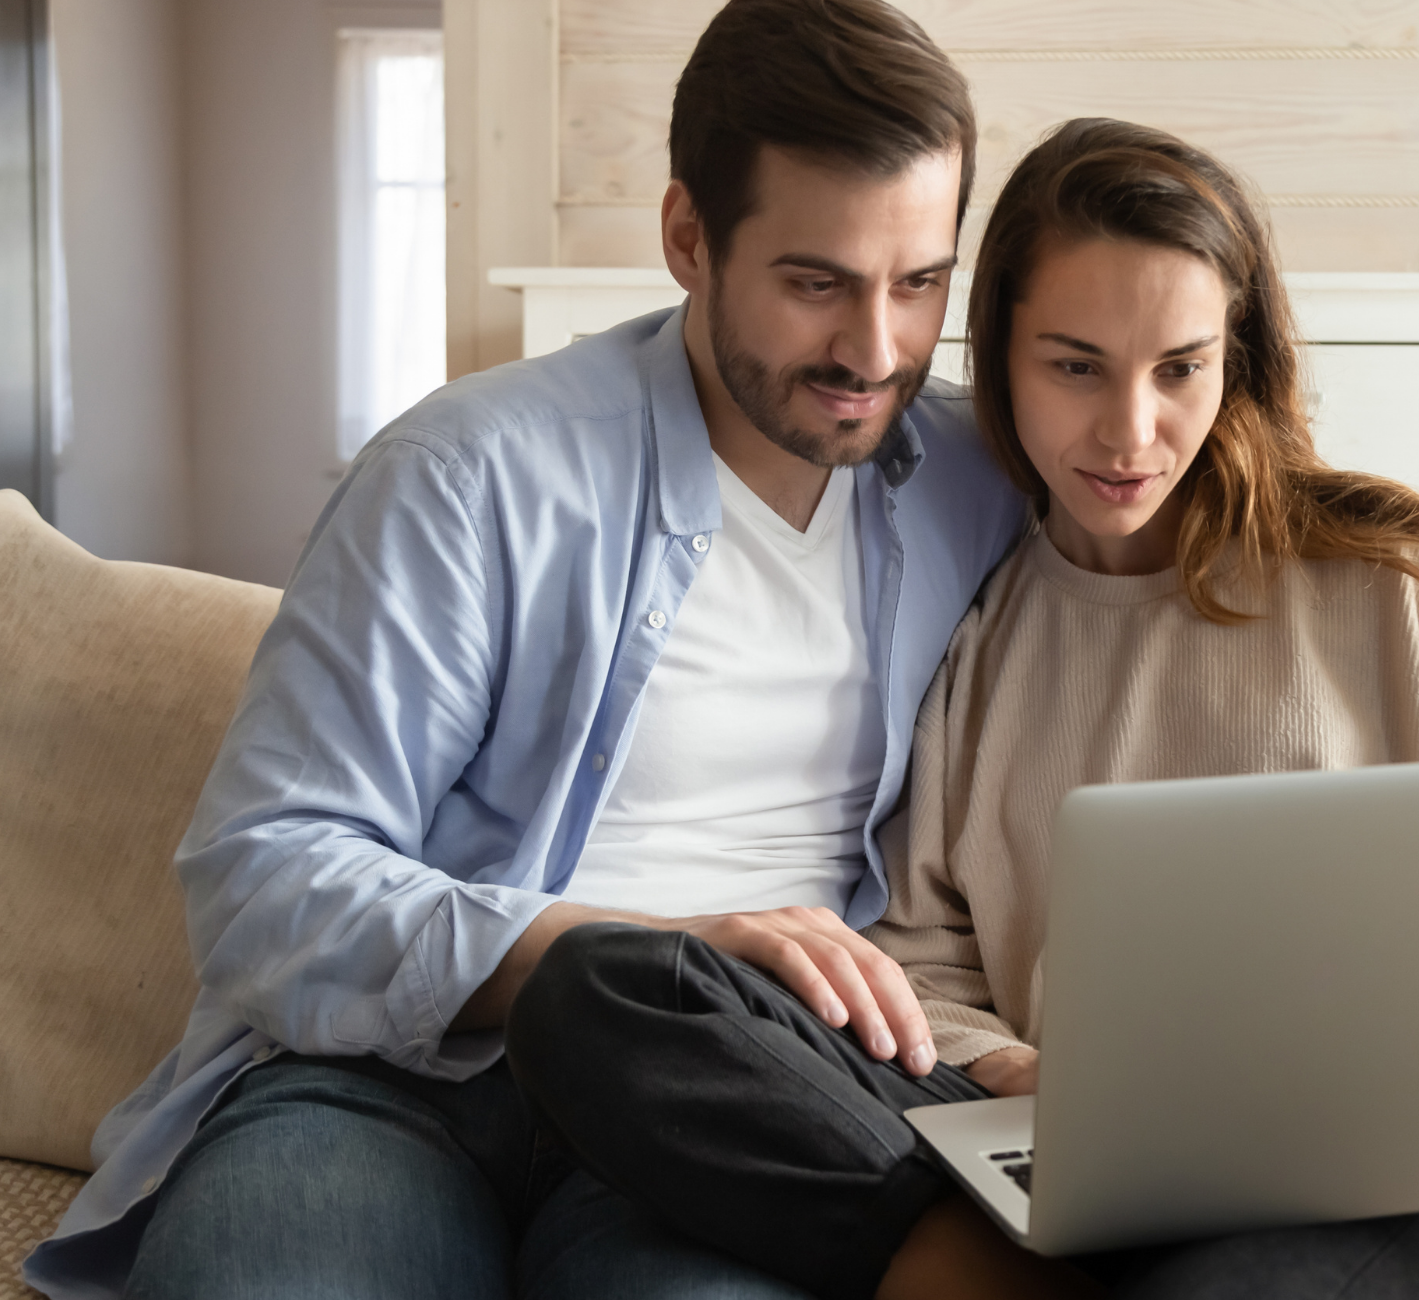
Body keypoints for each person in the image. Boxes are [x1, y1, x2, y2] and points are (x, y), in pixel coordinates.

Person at [505, 119, 1419, 1299]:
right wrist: (1010, 1068)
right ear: (998, 355)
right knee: (603, 988)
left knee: (1377, 1245)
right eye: (1076, 364)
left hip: (1364, 1175)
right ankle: (976, 1262)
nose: (1129, 432)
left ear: (1236, 358)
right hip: (1055, 1144)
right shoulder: (978, 618)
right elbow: (924, 959)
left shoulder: (1399, 584)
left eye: (1180, 368)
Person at [22, 2, 1024, 1297]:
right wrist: (627, 956)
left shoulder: (976, 477)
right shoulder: (471, 474)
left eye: (920, 282)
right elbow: (265, 883)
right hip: (394, 1086)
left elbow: (1202, 494)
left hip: (735, 1114)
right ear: (687, 237)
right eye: (815, 281)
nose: (875, 349)